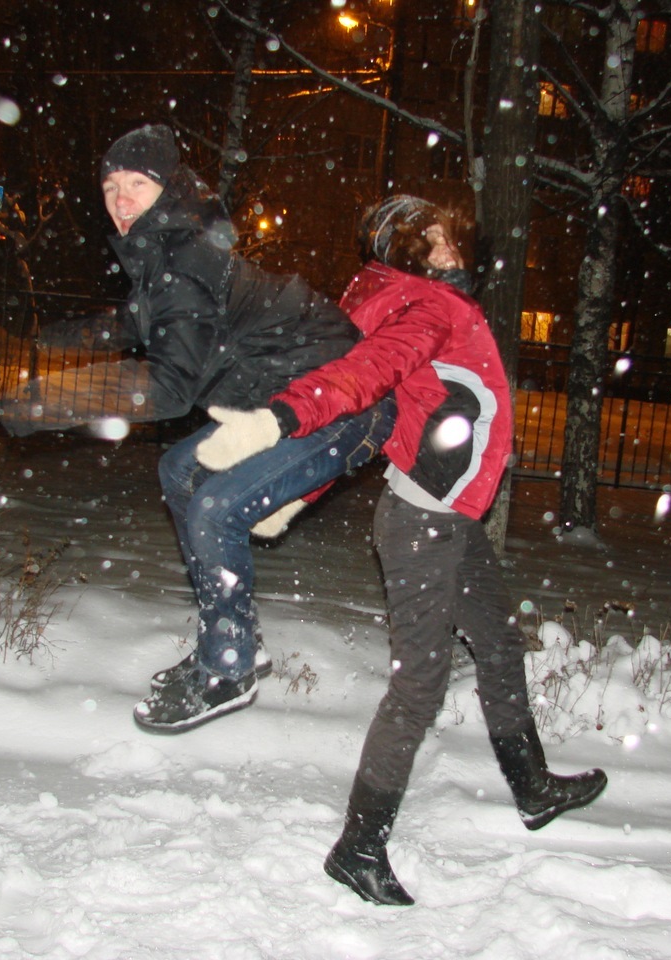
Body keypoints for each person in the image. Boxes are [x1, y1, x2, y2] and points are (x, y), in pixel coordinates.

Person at [195, 195, 608, 905]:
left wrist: (300, 492)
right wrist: (281, 421)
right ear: (402, 252)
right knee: (420, 684)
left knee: (499, 645)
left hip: (448, 518)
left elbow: (370, 415)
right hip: (425, 525)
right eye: (432, 241)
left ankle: (533, 787)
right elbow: (363, 378)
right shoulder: (427, 307)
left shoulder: (407, 298)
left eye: (450, 238)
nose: (450, 250)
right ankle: (359, 847)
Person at [0, 123, 394, 733]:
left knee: (214, 506)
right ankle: (236, 637)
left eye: (137, 184)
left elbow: (169, 386)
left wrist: (47, 401)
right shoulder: (164, 254)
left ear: (167, 190)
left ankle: (228, 666)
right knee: (179, 469)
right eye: (110, 186)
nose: (121, 199)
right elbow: (135, 325)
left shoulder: (183, 260)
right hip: (285, 403)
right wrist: (51, 336)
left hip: (340, 406)